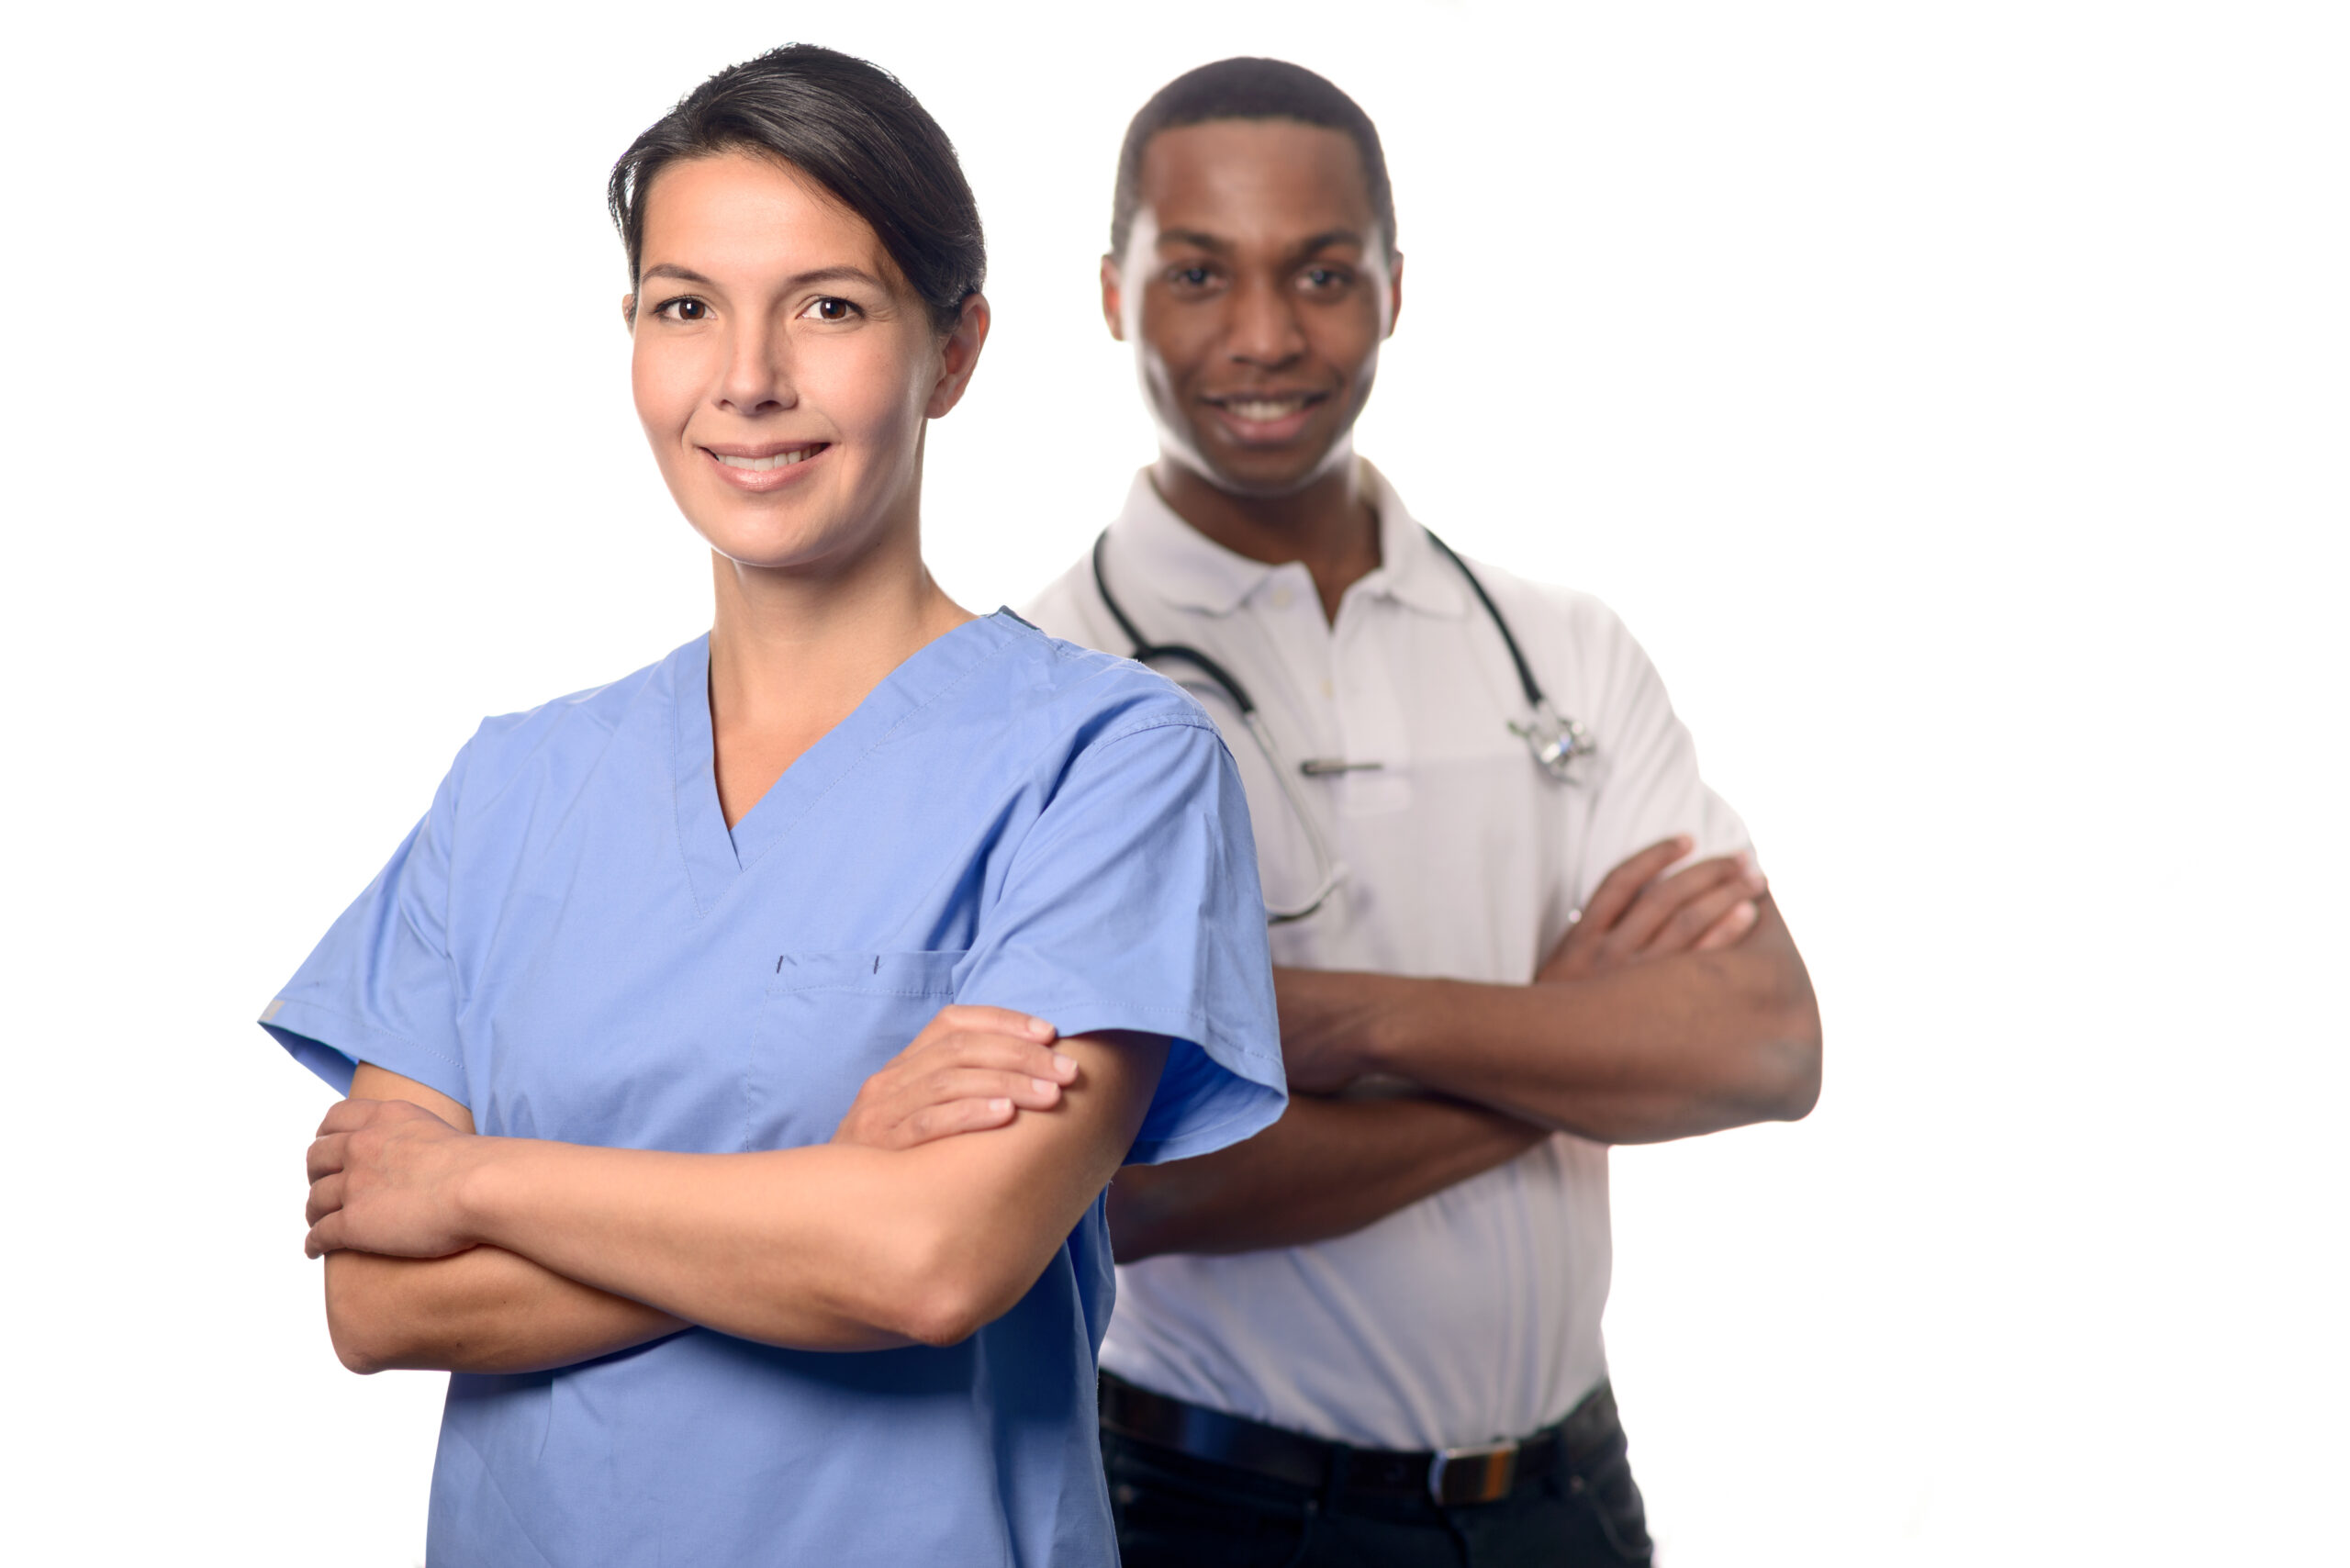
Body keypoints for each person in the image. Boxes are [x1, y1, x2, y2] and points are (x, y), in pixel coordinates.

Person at [259, 46, 1284, 1565]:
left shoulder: (1109, 764)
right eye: (687, 306)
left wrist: (476, 1182)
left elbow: (935, 1264)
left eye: (830, 305)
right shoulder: (515, 787)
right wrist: (831, 1182)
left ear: (953, 351)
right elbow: (381, 1300)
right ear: (635, 339)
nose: (747, 376)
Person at [1020, 59, 1825, 1567]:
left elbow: (1764, 1043)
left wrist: (1344, 1025)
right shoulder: (1041, 696)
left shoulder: (1560, 648)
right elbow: (1118, 1191)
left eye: (1321, 273)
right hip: (1218, 1513)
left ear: (1396, 290)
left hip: (1570, 1502)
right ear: (1115, 293)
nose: (1264, 335)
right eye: (1200, 273)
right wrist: (1555, 1046)